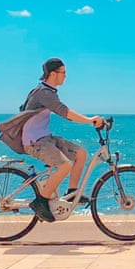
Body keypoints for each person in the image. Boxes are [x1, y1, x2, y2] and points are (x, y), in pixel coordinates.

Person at [20, 57, 104, 222]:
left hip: (45, 137)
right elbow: (63, 111)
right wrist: (89, 120)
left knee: (81, 153)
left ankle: (71, 193)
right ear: (53, 74)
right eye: (63, 73)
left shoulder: (48, 91)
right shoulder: (43, 92)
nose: (65, 76)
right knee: (65, 165)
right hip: (35, 141)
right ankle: (40, 202)